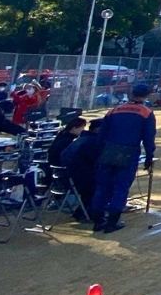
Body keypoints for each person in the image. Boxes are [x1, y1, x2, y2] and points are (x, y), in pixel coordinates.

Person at [90, 83, 156, 235]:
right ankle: (112, 221)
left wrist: (100, 153)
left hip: (108, 151)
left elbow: (101, 135)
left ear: (131, 93)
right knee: (121, 187)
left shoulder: (113, 111)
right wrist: (149, 156)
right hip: (128, 152)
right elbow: (148, 138)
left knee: (102, 187)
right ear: (147, 95)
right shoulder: (146, 113)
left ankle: (98, 220)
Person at [61, 117, 102, 220]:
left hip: (67, 176)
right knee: (101, 185)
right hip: (76, 179)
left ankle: (82, 211)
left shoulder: (82, 139)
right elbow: (97, 161)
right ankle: (91, 212)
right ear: (98, 130)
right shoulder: (92, 141)